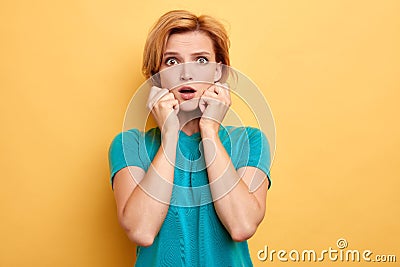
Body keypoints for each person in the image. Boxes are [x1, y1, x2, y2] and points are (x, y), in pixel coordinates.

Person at [108, 10, 272, 266]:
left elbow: (242, 225)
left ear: (218, 71)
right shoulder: (130, 145)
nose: (187, 74)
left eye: (201, 60)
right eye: (172, 61)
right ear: (157, 74)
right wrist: (170, 135)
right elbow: (141, 231)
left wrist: (209, 130)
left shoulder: (250, 141)